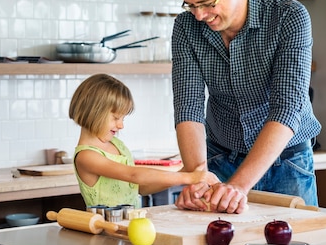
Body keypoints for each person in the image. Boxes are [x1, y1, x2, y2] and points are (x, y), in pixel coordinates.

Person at [170, 0, 321, 214]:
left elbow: (287, 109)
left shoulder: (288, 17)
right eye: (190, 5)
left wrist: (238, 185)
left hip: (286, 161)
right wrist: (196, 175)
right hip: (221, 157)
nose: (199, 15)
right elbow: (188, 106)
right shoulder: (186, 27)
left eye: (206, 3)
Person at [69, 73, 220, 208]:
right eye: (115, 118)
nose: (121, 125)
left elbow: (139, 187)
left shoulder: (117, 145)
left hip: (129, 226)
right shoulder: (86, 157)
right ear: (93, 113)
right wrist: (188, 177)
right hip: (104, 229)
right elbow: (133, 175)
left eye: (123, 118)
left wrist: (182, 174)